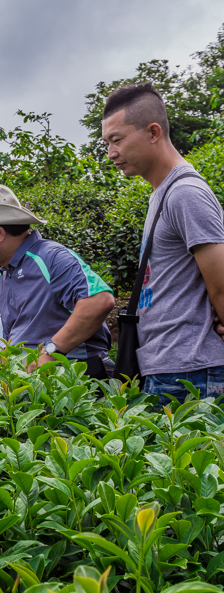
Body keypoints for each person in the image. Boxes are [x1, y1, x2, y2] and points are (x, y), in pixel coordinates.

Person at [102, 82, 224, 401]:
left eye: (117, 140)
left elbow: (221, 285)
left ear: (153, 132)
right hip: (169, 368)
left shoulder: (186, 193)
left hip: (192, 372)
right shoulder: (162, 193)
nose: (111, 153)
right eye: (107, 142)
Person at [0, 184, 116, 379]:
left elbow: (99, 301)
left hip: (78, 380)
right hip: (35, 388)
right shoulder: (3, 275)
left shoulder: (50, 257)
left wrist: (50, 353)